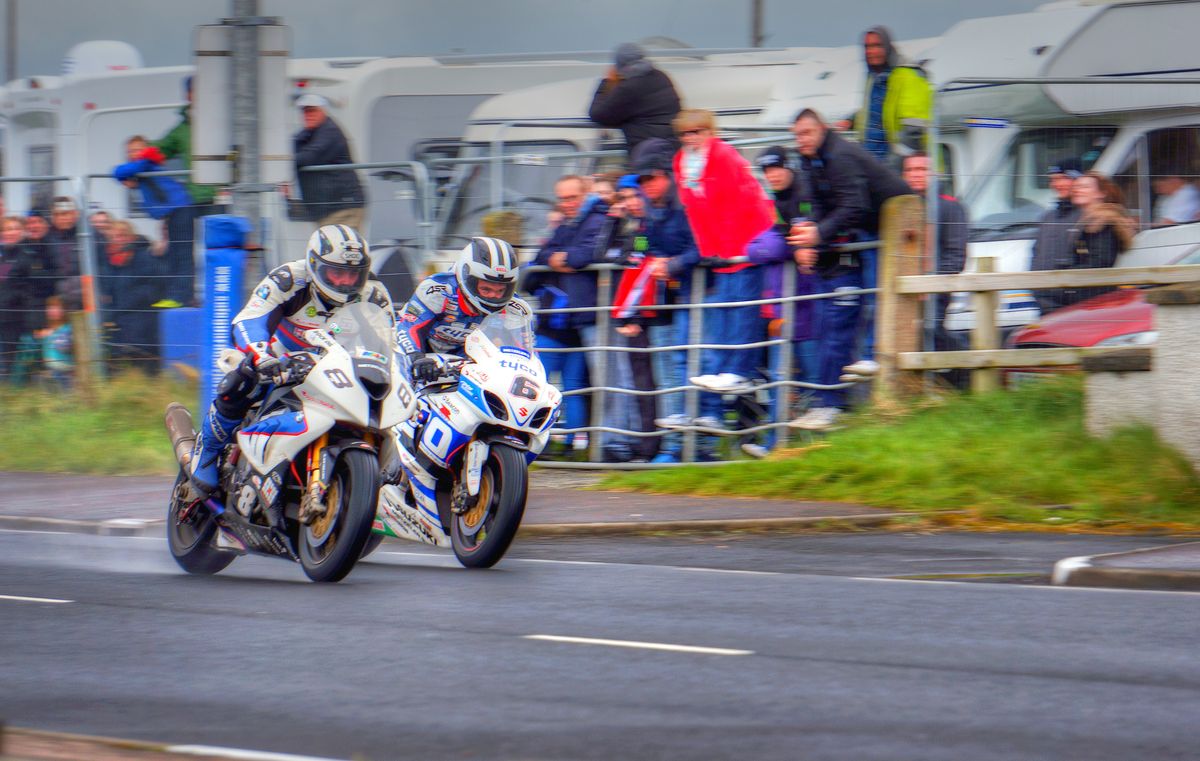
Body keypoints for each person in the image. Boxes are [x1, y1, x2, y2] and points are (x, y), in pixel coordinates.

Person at [188, 224, 391, 494]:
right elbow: (250, 319)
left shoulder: (374, 294)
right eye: (336, 272)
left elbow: (390, 340)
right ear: (314, 265)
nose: (345, 282)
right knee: (244, 377)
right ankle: (208, 449)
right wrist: (261, 355)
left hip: (338, 370)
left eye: (354, 275)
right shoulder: (289, 279)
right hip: (281, 359)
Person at [672, 109, 774, 410]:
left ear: (709, 132)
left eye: (698, 132)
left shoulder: (725, 156)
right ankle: (724, 369)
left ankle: (739, 371)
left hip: (746, 242)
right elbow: (695, 211)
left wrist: (730, 251)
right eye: (686, 134)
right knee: (724, 311)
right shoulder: (682, 163)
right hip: (723, 251)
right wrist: (708, 250)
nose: (691, 139)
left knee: (743, 312)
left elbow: (738, 205)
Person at [786, 109, 874, 431]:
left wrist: (817, 236)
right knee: (826, 335)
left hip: (854, 254)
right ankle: (827, 402)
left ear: (822, 129)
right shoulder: (809, 166)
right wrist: (805, 243)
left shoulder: (839, 156)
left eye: (807, 133)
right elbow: (812, 208)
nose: (802, 141)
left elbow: (853, 207)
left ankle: (835, 404)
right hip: (830, 261)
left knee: (842, 333)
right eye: (797, 135)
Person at [631, 138, 707, 463]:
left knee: (687, 366)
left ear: (667, 175)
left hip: (695, 296)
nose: (647, 185)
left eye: (652, 178)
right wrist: (647, 257)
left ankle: (688, 446)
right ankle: (674, 445)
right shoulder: (649, 210)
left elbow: (703, 246)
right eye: (642, 180)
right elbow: (644, 244)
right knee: (666, 369)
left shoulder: (686, 204)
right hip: (662, 301)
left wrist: (672, 264)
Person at [741, 146, 819, 457]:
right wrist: (779, 244)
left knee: (811, 377)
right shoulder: (778, 200)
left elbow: (780, 243)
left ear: (788, 166)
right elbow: (761, 246)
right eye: (767, 171)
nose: (771, 175)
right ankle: (776, 445)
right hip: (780, 306)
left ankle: (810, 446)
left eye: (776, 168)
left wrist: (778, 244)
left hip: (806, 303)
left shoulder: (803, 192)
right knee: (779, 376)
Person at [523, 175, 610, 454]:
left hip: (578, 318)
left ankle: (572, 442)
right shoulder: (567, 223)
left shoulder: (596, 220)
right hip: (560, 319)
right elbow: (541, 255)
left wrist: (560, 258)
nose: (566, 204)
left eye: (572, 197)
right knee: (547, 382)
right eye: (561, 198)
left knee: (569, 384)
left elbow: (585, 255)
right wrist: (556, 258)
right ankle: (545, 439)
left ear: (586, 194)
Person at [396, 236, 520, 383]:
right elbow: (408, 327)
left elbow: (524, 353)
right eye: (486, 288)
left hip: (463, 356)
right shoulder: (437, 290)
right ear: (467, 278)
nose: (493, 296)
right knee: (405, 377)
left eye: (500, 290)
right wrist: (416, 357)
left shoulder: (516, 307)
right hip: (421, 348)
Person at [901, 151, 969, 388]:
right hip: (903, 289)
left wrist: (931, 284)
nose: (915, 175)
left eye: (922, 169)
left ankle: (966, 373)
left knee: (932, 331)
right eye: (910, 170)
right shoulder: (899, 207)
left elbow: (956, 254)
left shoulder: (950, 207)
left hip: (935, 289)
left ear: (934, 173)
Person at [114, 136, 195, 306]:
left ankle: (182, 296)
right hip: (172, 212)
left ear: (146, 148)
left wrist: (129, 176)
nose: (133, 154)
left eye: (137, 149)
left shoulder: (149, 159)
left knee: (183, 254)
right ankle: (175, 295)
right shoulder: (142, 167)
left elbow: (119, 172)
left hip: (181, 208)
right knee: (174, 253)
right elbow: (123, 174)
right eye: (130, 151)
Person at [1043, 172, 1135, 312]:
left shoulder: (1103, 222)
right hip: (1087, 297)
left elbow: (1101, 262)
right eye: (1077, 186)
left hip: (1095, 301)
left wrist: (1065, 273)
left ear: (1101, 193)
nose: (1077, 190)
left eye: (1085, 187)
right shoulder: (1088, 221)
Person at [850, 26, 933, 168]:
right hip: (873, 163)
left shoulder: (909, 75)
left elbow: (914, 132)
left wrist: (895, 167)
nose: (871, 51)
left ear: (888, 46)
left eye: (877, 45)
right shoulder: (873, 78)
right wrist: (850, 120)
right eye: (867, 47)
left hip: (902, 168)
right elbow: (875, 115)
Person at [587, 43, 682, 155]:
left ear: (619, 65)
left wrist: (607, 81)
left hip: (647, 153)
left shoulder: (629, 88)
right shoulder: (661, 76)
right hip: (672, 147)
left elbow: (598, 114)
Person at [291, 93, 367, 229]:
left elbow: (307, 157)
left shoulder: (330, 132)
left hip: (344, 207)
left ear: (323, 111)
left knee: (344, 248)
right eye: (305, 111)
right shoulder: (310, 134)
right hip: (328, 209)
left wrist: (293, 158)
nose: (308, 115)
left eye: (312, 110)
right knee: (329, 248)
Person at [99, 220, 162, 372]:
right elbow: (105, 292)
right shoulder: (107, 262)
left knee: (142, 361)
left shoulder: (143, 257)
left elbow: (153, 288)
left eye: (123, 235)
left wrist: (126, 302)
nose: (118, 239)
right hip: (116, 320)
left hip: (141, 319)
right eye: (114, 236)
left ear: (131, 237)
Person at [1030, 160, 1084, 314]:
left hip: (1075, 306)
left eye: (1063, 178)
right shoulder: (1048, 217)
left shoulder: (1088, 216)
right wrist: (1036, 290)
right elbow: (1036, 254)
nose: (1057, 184)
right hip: (1045, 303)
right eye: (1053, 179)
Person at [0, 215, 33, 382]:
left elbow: (29, 287)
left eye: (15, 228)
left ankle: (8, 391)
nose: (11, 232)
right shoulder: (3, 255)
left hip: (14, 316)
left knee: (8, 357)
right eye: (7, 229)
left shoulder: (26, 255)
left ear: (22, 232)